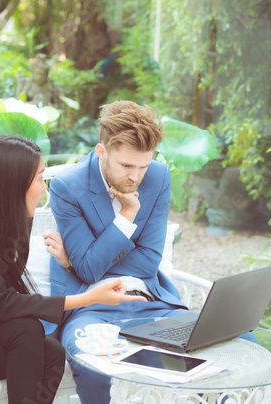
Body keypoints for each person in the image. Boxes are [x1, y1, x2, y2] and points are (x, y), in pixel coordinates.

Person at [0, 135, 146, 404]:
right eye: (38, 179)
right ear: (12, 184)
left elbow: (2, 299)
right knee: (29, 334)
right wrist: (90, 297)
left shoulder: (8, 219)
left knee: (52, 350)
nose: (43, 189)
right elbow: (3, 303)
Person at [49, 100, 190, 404]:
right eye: (126, 165)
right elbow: (88, 272)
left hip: (152, 302)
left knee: (240, 341)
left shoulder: (158, 176)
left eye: (143, 166)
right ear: (102, 151)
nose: (135, 177)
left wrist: (79, 260)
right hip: (92, 307)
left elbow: (150, 261)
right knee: (92, 362)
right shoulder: (67, 187)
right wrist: (126, 216)